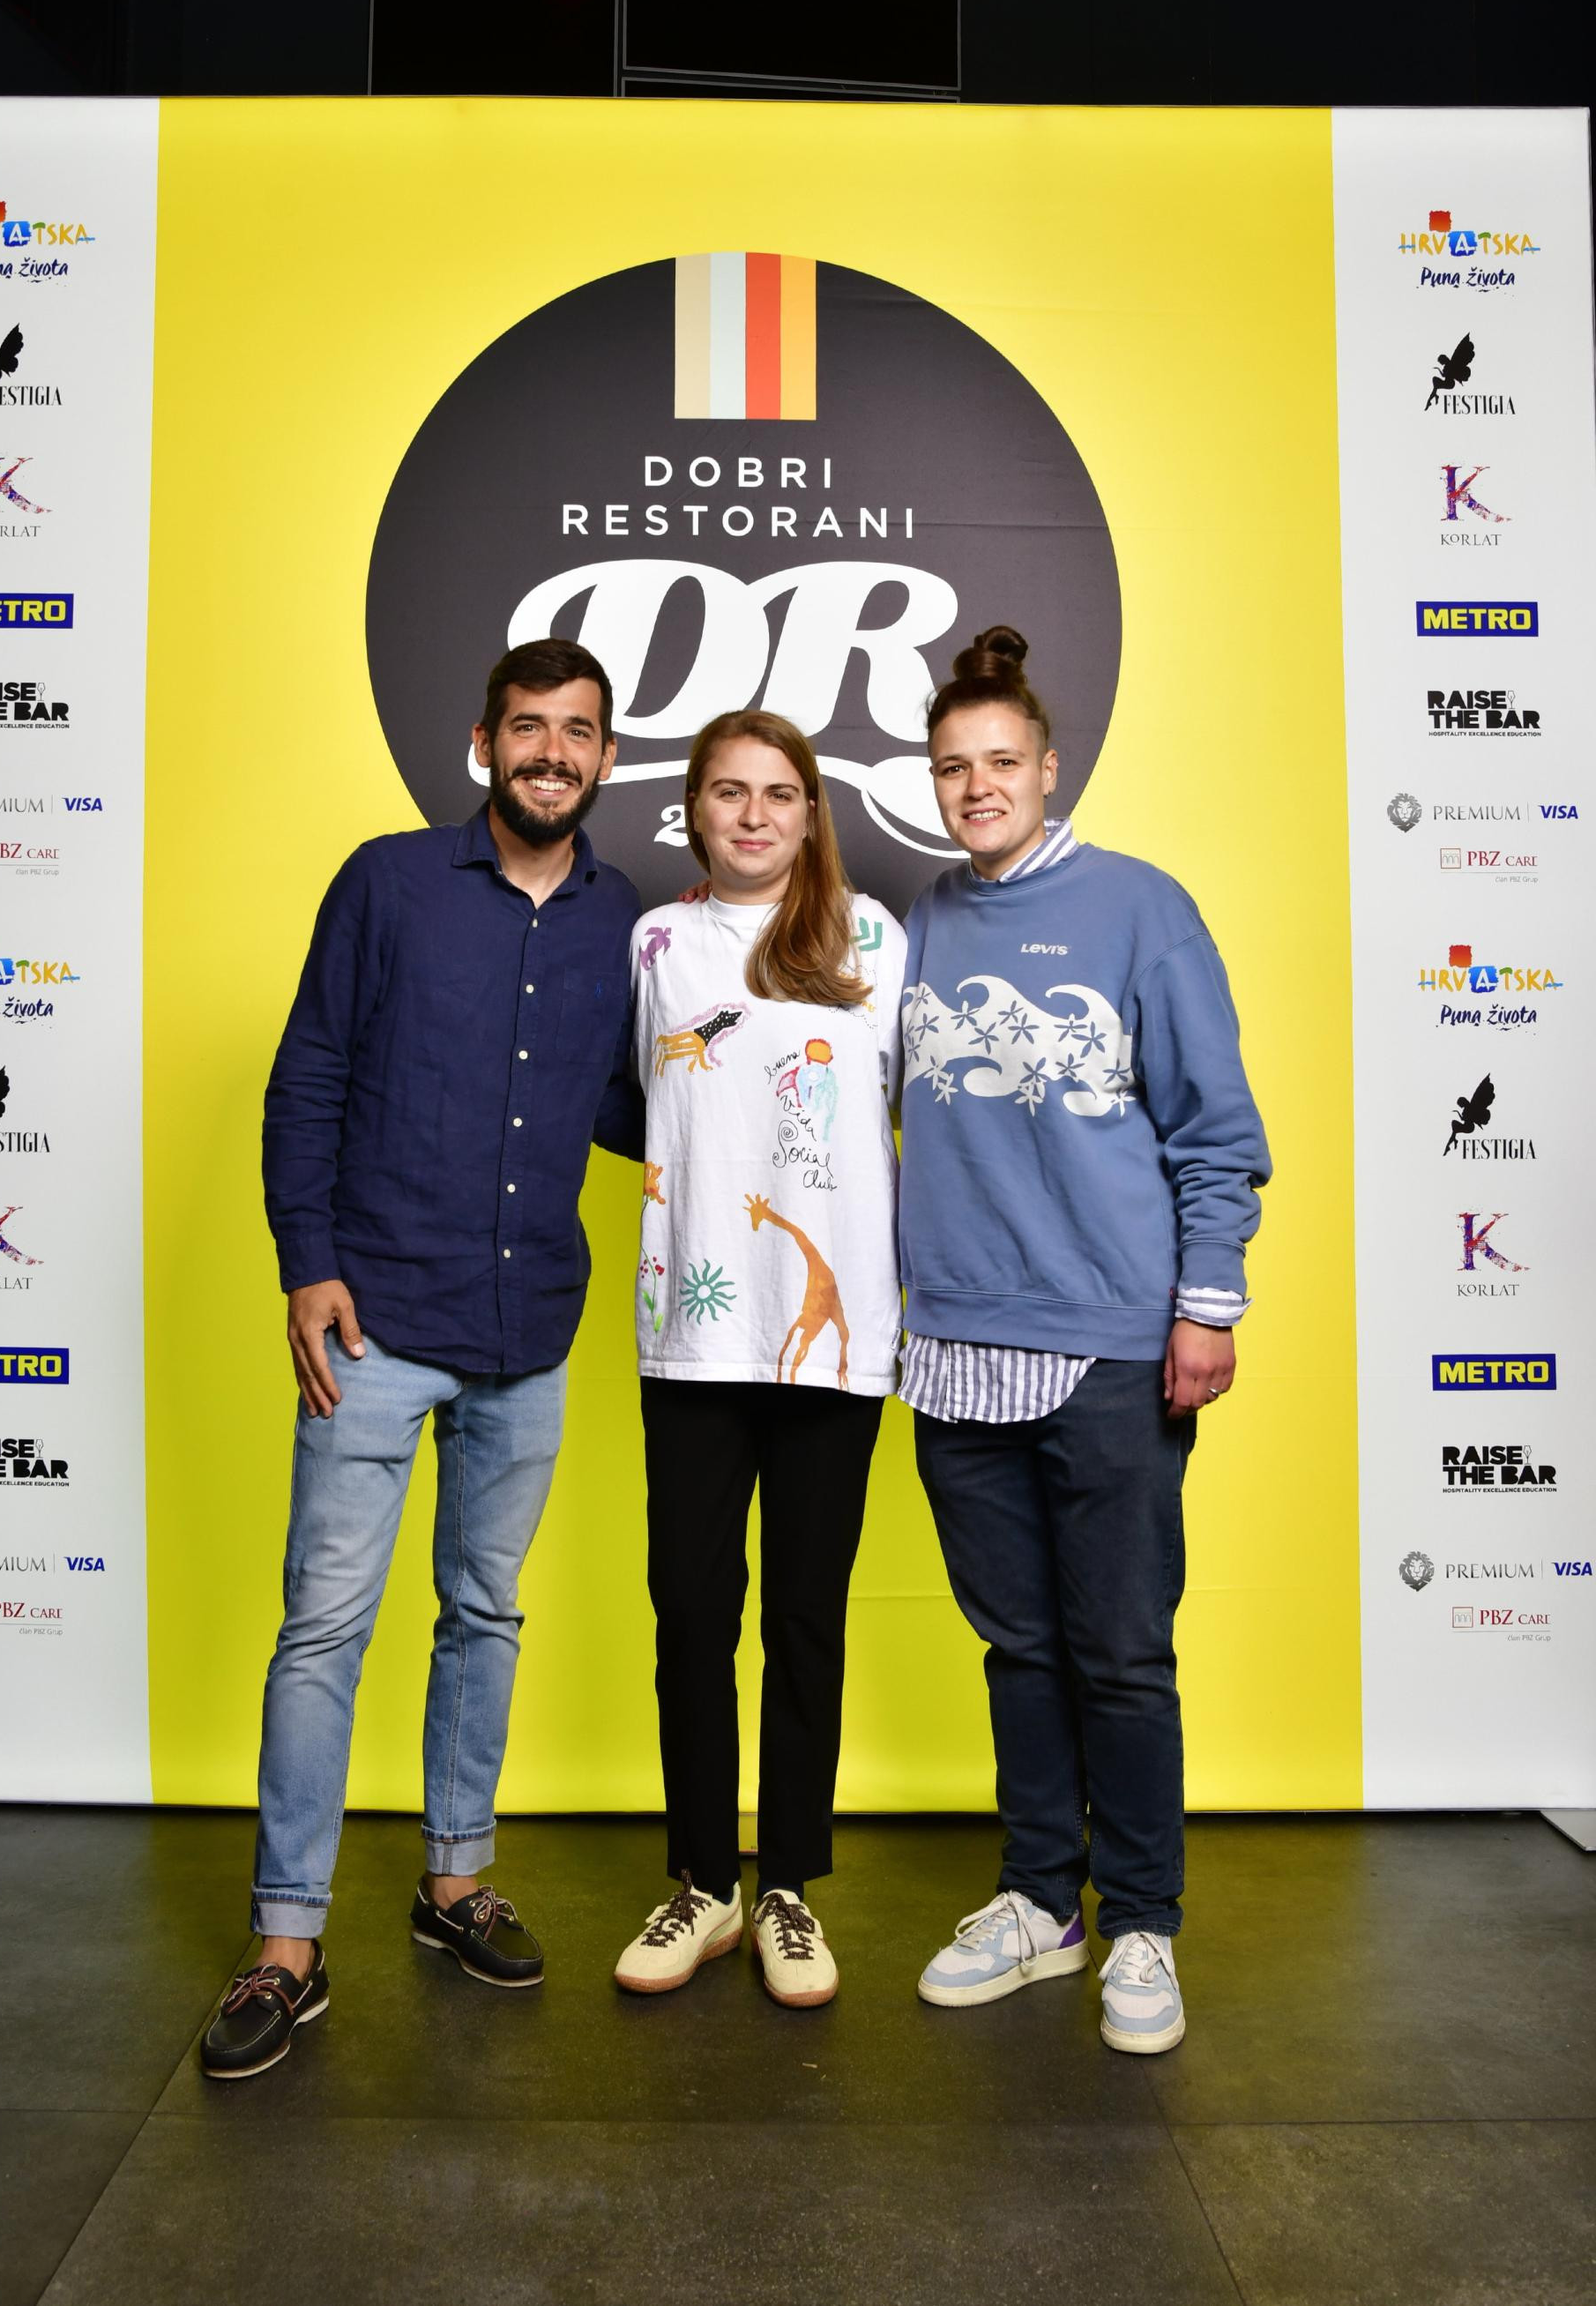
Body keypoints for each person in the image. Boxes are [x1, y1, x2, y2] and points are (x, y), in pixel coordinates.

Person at [200, 640, 644, 2079]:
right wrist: (306, 1262)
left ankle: (456, 1882)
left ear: (606, 758)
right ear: (483, 742)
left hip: (530, 1328)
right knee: (324, 1627)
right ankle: (286, 1944)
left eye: (578, 732)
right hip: (376, 1318)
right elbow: (309, 1074)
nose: (552, 752)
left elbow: (636, 1105)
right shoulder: (386, 884)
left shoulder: (626, 921)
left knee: (485, 1612)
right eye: (529, 726)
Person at [899, 626, 1269, 2054]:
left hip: (1112, 1344)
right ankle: (1042, 1901)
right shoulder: (921, 921)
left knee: (1120, 1650)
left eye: (1002, 761)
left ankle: (1144, 1922)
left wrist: (1205, 1303)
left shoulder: (1141, 909)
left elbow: (1215, 1129)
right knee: (1019, 1646)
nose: (977, 786)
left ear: (1050, 767)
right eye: (953, 766)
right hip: (954, 1346)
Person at [612, 712, 906, 2009]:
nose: (752, 814)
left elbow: (917, 1111)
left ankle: (785, 1883)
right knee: (691, 1610)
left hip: (835, 1340)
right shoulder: (656, 944)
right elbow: (636, 1104)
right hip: (694, 1328)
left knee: (805, 1615)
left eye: (778, 793)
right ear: (692, 807)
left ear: (810, 812)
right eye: (728, 791)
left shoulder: (876, 939)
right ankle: (702, 1883)